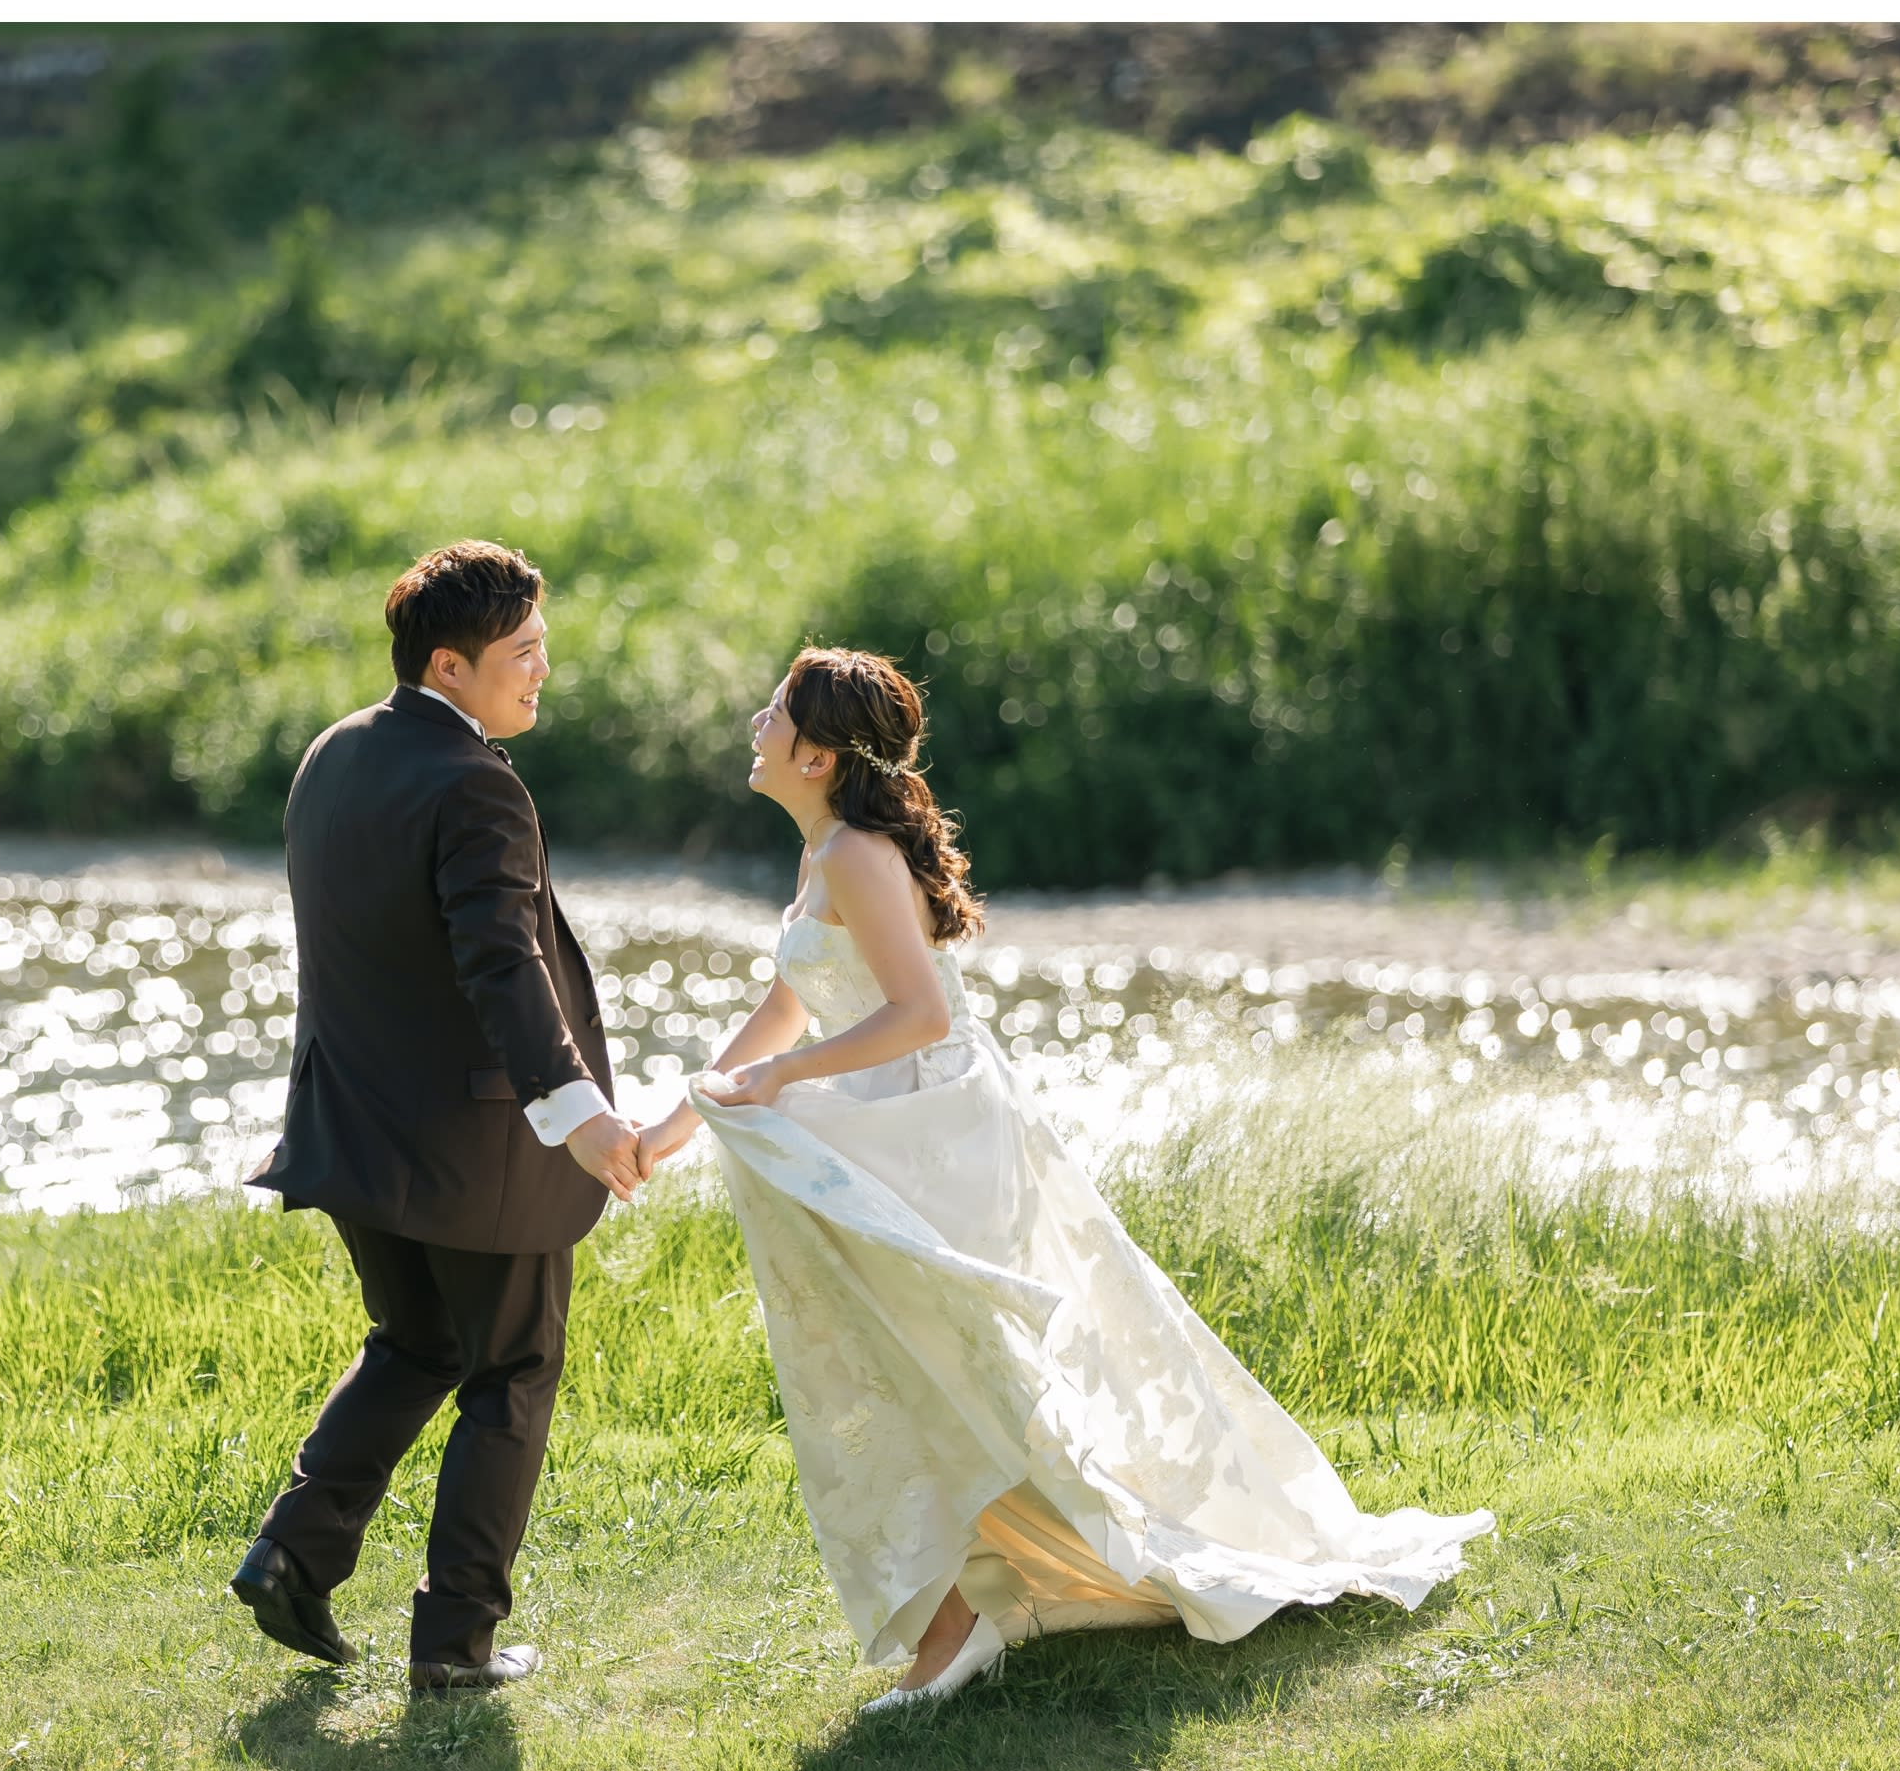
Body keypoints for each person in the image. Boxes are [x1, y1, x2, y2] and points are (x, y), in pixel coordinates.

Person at [636, 644, 1493, 1711]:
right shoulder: (823, 853)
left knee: (944, 1361)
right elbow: (786, 1007)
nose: (756, 727)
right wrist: (678, 1122)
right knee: (906, 1359)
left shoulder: (856, 855)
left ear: (816, 756)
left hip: (932, 1129)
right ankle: (969, 1607)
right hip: (884, 1121)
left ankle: (993, 1607)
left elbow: (922, 1015)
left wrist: (785, 1078)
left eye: (774, 713)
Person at [235, 541, 645, 1691]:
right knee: (512, 1370)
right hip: (475, 1149)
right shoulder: (476, 784)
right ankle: (456, 1645)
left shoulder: (335, 753)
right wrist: (576, 1112)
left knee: (417, 1343)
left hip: (354, 1129)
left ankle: (292, 1556)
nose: (543, 670)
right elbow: (502, 966)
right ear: (450, 666)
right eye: (523, 653)